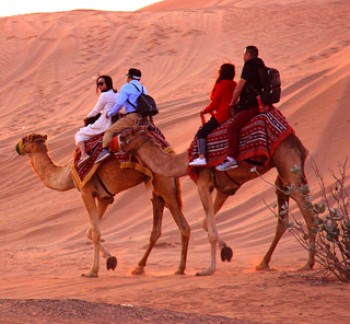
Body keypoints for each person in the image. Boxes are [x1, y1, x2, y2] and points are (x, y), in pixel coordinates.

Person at [216, 45, 266, 171]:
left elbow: (240, 86)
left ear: (248, 55)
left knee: (231, 129)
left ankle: (231, 159)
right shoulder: (261, 67)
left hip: (251, 106)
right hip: (263, 104)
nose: (243, 57)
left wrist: (232, 102)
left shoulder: (249, 67)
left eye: (244, 54)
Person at [95, 68, 147, 163]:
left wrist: (109, 113)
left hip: (132, 117)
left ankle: (105, 151)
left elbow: (119, 104)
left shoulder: (126, 87)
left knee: (110, 131)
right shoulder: (143, 88)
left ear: (129, 77)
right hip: (142, 118)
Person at [189, 63, 237, 166]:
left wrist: (204, 111)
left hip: (221, 117)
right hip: (231, 116)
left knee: (201, 133)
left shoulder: (221, 85)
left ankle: (201, 157)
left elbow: (215, 103)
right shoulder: (234, 85)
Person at [75, 75, 117, 166]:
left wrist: (87, 117)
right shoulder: (115, 94)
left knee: (79, 134)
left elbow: (96, 111)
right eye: (98, 84)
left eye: (101, 83)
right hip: (114, 121)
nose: (99, 86)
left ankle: (84, 155)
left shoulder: (104, 95)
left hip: (104, 123)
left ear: (108, 83)